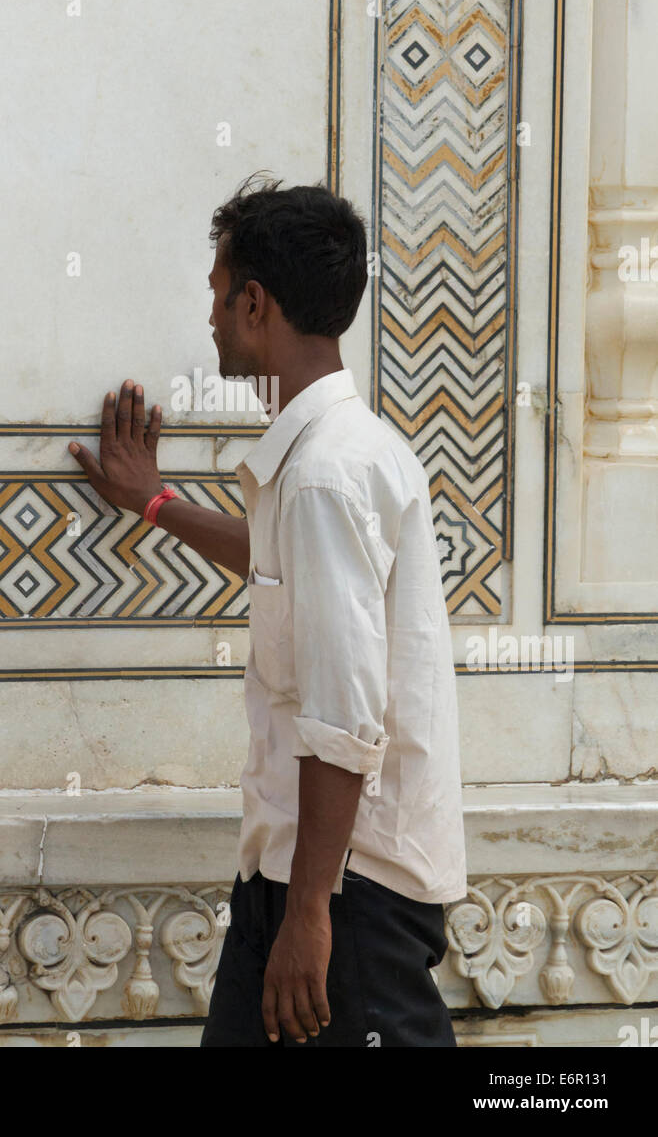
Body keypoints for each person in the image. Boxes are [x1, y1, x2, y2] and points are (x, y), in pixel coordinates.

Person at [69, 174, 468, 1047]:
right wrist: (155, 504)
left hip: (345, 898)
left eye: (217, 295)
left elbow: (342, 714)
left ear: (255, 303)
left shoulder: (327, 473)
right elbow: (280, 565)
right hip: (296, 882)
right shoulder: (329, 459)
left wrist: (310, 919)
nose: (210, 318)